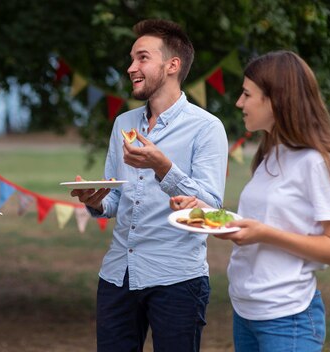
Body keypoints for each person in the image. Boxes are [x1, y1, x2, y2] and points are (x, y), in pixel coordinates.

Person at [170, 50, 330, 351]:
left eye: (246, 94)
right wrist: (205, 213)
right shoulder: (270, 155)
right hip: (246, 311)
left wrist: (264, 234)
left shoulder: (318, 163)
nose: (239, 103)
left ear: (276, 99)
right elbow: (253, 227)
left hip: (287, 318)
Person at [70, 19, 228, 351]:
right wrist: (96, 201)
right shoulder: (123, 124)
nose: (130, 68)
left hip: (177, 279)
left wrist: (164, 168)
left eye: (142, 58)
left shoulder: (207, 128)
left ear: (173, 65)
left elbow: (211, 208)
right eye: (131, 58)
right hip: (117, 275)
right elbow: (115, 199)